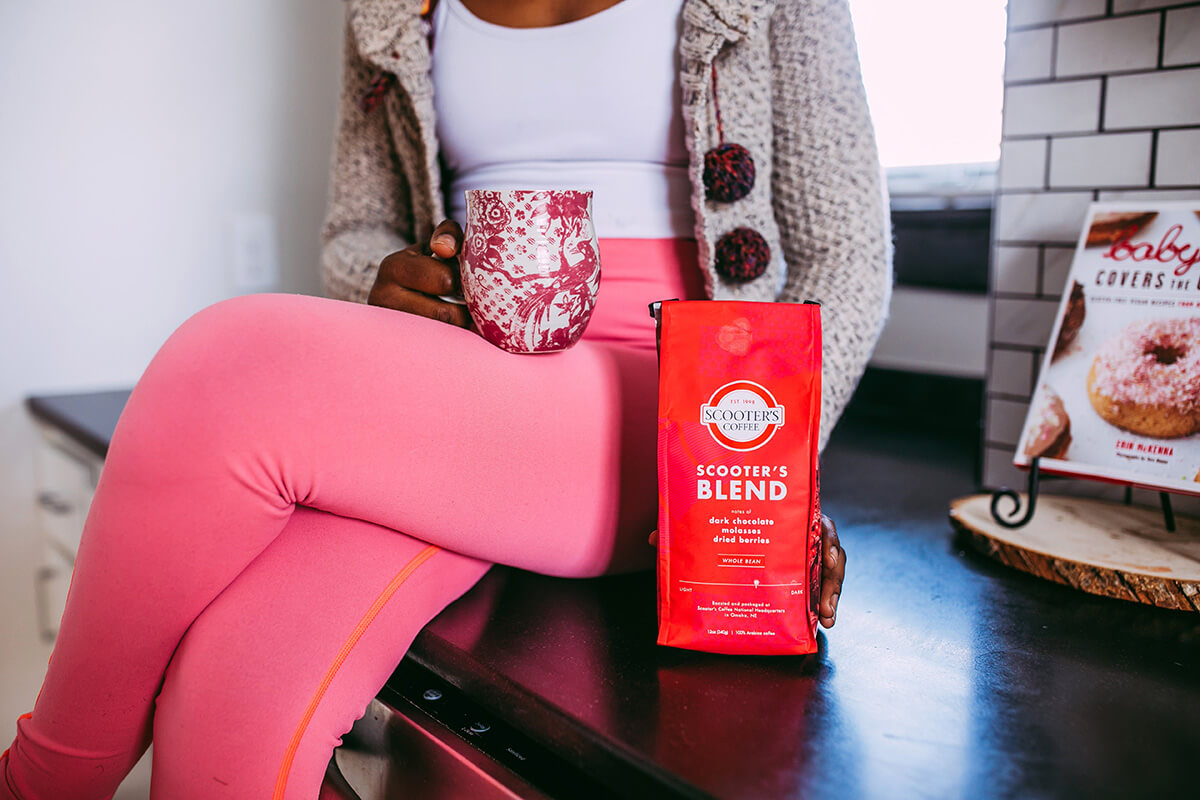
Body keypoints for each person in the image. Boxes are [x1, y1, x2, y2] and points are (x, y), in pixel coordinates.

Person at [1, 0, 889, 797]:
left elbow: (847, 255)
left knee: (222, 363)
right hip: (460, 385)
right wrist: (391, 283)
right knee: (233, 685)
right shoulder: (390, 7)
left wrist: (765, 466)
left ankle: (42, 780)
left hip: (666, 404)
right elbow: (358, 233)